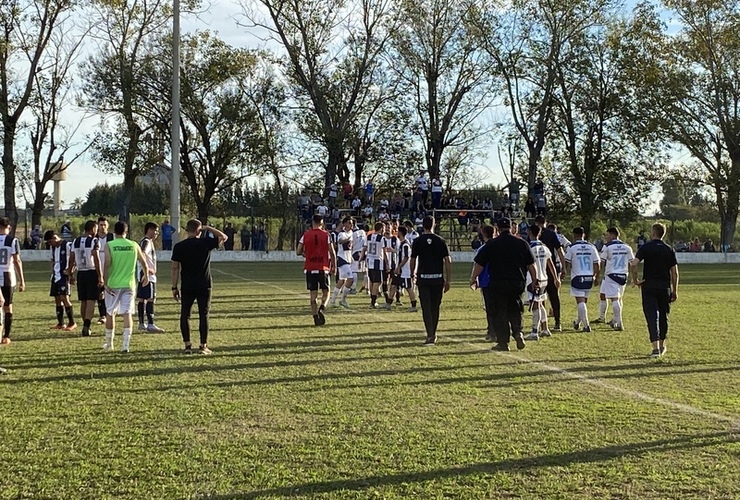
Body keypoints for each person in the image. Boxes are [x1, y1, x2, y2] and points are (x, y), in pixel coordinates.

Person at [471, 217, 535, 351]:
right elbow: (531, 264)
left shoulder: (492, 244)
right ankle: (518, 332)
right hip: (517, 282)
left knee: (500, 312)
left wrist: (473, 278)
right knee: (515, 308)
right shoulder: (522, 243)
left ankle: (503, 342)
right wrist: (535, 280)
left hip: (498, 282)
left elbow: (480, 263)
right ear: (511, 228)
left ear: (498, 229)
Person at [171, 219, 227, 354]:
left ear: (187, 230)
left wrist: (174, 287)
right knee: (204, 314)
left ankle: (187, 345)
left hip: (187, 284)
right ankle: (203, 345)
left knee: (185, 315)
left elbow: (175, 268)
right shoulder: (205, 243)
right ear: (198, 230)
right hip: (204, 284)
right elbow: (223, 237)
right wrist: (208, 228)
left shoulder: (179, 246)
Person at [629, 223, 678, 357]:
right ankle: (662, 345)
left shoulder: (646, 247)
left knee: (652, 316)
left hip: (649, 286)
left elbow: (633, 264)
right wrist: (675, 290)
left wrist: (635, 280)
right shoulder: (668, 249)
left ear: (653, 233)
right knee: (663, 316)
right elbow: (675, 273)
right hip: (664, 287)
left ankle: (655, 347)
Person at [103, 221, 150, 353]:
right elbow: (144, 262)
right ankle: (125, 345)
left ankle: (109, 343)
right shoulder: (133, 245)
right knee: (127, 313)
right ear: (126, 232)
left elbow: (107, 263)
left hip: (113, 284)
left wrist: (104, 282)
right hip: (129, 284)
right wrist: (145, 275)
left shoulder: (110, 245)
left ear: (114, 232)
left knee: (110, 313)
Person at [410, 216, 452, 346]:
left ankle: (430, 334)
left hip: (423, 279)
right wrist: (448, 279)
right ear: (434, 225)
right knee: (435, 307)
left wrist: (412, 274)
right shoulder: (441, 241)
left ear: (423, 225)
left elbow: (412, 259)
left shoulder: (417, 241)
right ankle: (433, 332)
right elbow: (447, 260)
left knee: (426, 307)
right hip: (437, 279)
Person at [296, 215, 336, 326]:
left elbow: (298, 251)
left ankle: (315, 316)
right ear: (321, 223)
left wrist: (306, 255)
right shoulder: (326, 235)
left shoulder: (305, 235)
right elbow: (332, 252)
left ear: (312, 222)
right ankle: (322, 308)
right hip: (323, 268)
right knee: (326, 291)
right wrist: (334, 266)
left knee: (313, 295)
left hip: (310, 268)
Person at [67, 220, 103, 337]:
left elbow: (71, 258)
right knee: (91, 300)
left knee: (83, 301)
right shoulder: (94, 241)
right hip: (91, 271)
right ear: (92, 229)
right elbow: (96, 258)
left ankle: (84, 324)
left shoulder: (75, 241)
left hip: (81, 273)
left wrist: (70, 273)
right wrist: (100, 276)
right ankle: (87, 325)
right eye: (96, 229)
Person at [593, 227, 634, 331]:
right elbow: (632, 263)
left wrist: (596, 275)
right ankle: (609, 319)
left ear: (612, 235)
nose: (606, 237)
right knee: (610, 296)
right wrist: (634, 277)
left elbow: (601, 262)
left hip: (611, 275)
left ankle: (619, 323)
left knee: (615, 299)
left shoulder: (607, 247)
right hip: (623, 275)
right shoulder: (627, 247)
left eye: (607, 235)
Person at [524, 225, 560, 341]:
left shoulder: (529, 248)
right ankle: (545, 328)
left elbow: (526, 265)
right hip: (544, 278)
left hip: (534, 279)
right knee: (540, 303)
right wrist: (555, 278)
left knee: (535, 305)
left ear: (529, 232)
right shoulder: (544, 247)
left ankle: (535, 331)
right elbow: (551, 264)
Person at [564, 227, 600, 333]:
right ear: (583, 234)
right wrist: (596, 276)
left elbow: (566, 261)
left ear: (574, 235)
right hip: (589, 276)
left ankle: (586, 325)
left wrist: (563, 272)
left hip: (577, 277)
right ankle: (578, 321)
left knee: (580, 302)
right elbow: (597, 263)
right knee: (583, 301)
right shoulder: (591, 247)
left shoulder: (572, 247)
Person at [534, 216, 566, 331]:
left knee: (539, 298)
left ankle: (541, 324)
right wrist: (563, 267)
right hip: (551, 269)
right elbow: (559, 250)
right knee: (554, 297)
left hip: (538, 270)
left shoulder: (533, 234)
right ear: (545, 223)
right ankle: (558, 322)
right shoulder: (552, 234)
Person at [0, 218, 25, 344]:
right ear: (8, 227)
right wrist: (22, 280)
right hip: (7, 276)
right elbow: (17, 261)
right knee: (8, 307)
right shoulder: (12, 241)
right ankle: (6, 336)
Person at [137, 222, 165, 333]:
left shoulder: (146, 241)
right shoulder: (146, 242)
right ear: (149, 230)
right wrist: (147, 270)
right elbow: (142, 253)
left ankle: (141, 323)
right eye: (155, 230)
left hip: (143, 272)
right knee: (150, 298)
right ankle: (150, 323)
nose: (157, 233)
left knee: (142, 298)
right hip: (147, 274)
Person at [44, 230, 75, 331]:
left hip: (63, 275)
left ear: (54, 238)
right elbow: (52, 260)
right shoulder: (53, 248)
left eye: (50, 242)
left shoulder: (67, 245)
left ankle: (72, 322)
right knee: (57, 298)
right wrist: (52, 271)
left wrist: (70, 272)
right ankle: (61, 323)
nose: (50, 244)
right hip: (55, 276)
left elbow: (74, 259)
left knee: (64, 298)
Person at [329, 217, 354, 308]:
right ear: (344, 224)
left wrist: (351, 257)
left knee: (341, 281)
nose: (351, 225)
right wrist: (348, 239)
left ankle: (332, 301)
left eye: (351, 223)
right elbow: (340, 241)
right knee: (350, 279)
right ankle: (342, 300)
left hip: (347, 259)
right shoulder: (342, 234)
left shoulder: (351, 233)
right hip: (342, 259)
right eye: (349, 223)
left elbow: (350, 247)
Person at [95, 217, 115, 325]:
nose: (102, 227)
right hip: (98, 267)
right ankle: (102, 315)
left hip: (110, 267)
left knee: (110, 291)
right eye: (100, 225)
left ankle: (110, 312)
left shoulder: (112, 237)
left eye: (104, 225)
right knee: (100, 292)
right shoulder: (94, 238)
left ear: (107, 226)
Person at [364, 222, 387, 308]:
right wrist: (387, 263)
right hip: (377, 261)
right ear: (381, 229)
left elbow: (365, 248)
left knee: (372, 281)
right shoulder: (381, 238)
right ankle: (373, 302)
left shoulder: (369, 236)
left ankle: (372, 299)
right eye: (383, 228)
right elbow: (384, 251)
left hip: (369, 260)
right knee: (377, 282)